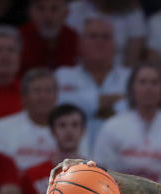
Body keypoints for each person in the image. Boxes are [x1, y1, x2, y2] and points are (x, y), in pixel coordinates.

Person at [93, 64, 161, 190]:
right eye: (142, 82)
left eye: (154, 82)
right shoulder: (112, 127)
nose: (148, 88)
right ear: (132, 89)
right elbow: (101, 173)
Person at [54, 17, 129, 148]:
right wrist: (100, 103)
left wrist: (84, 104)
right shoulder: (62, 75)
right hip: (73, 157)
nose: (100, 42)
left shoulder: (130, 77)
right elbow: (58, 110)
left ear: (115, 44)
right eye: (93, 36)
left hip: (119, 155)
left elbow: (132, 115)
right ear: (80, 43)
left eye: (106, 37)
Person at [0, 68, 59, 171]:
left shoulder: (74, 129)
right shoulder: (0, 128)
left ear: (57, 96)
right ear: (24, 97)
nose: (43, 96)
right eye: (37, 91)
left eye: (48, 91)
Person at [21, 103, 88, 194]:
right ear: (52, 131)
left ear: (83, 130)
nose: (69, 131)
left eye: (75, 125)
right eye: (62, 125)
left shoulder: (98, 174)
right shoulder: (32, 175)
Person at [20, 0, 78, 72]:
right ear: (30, 12)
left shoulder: (75, 39)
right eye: (41, 8)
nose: (47, 16)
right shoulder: (19, 38)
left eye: (54, 9)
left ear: (66, 13)